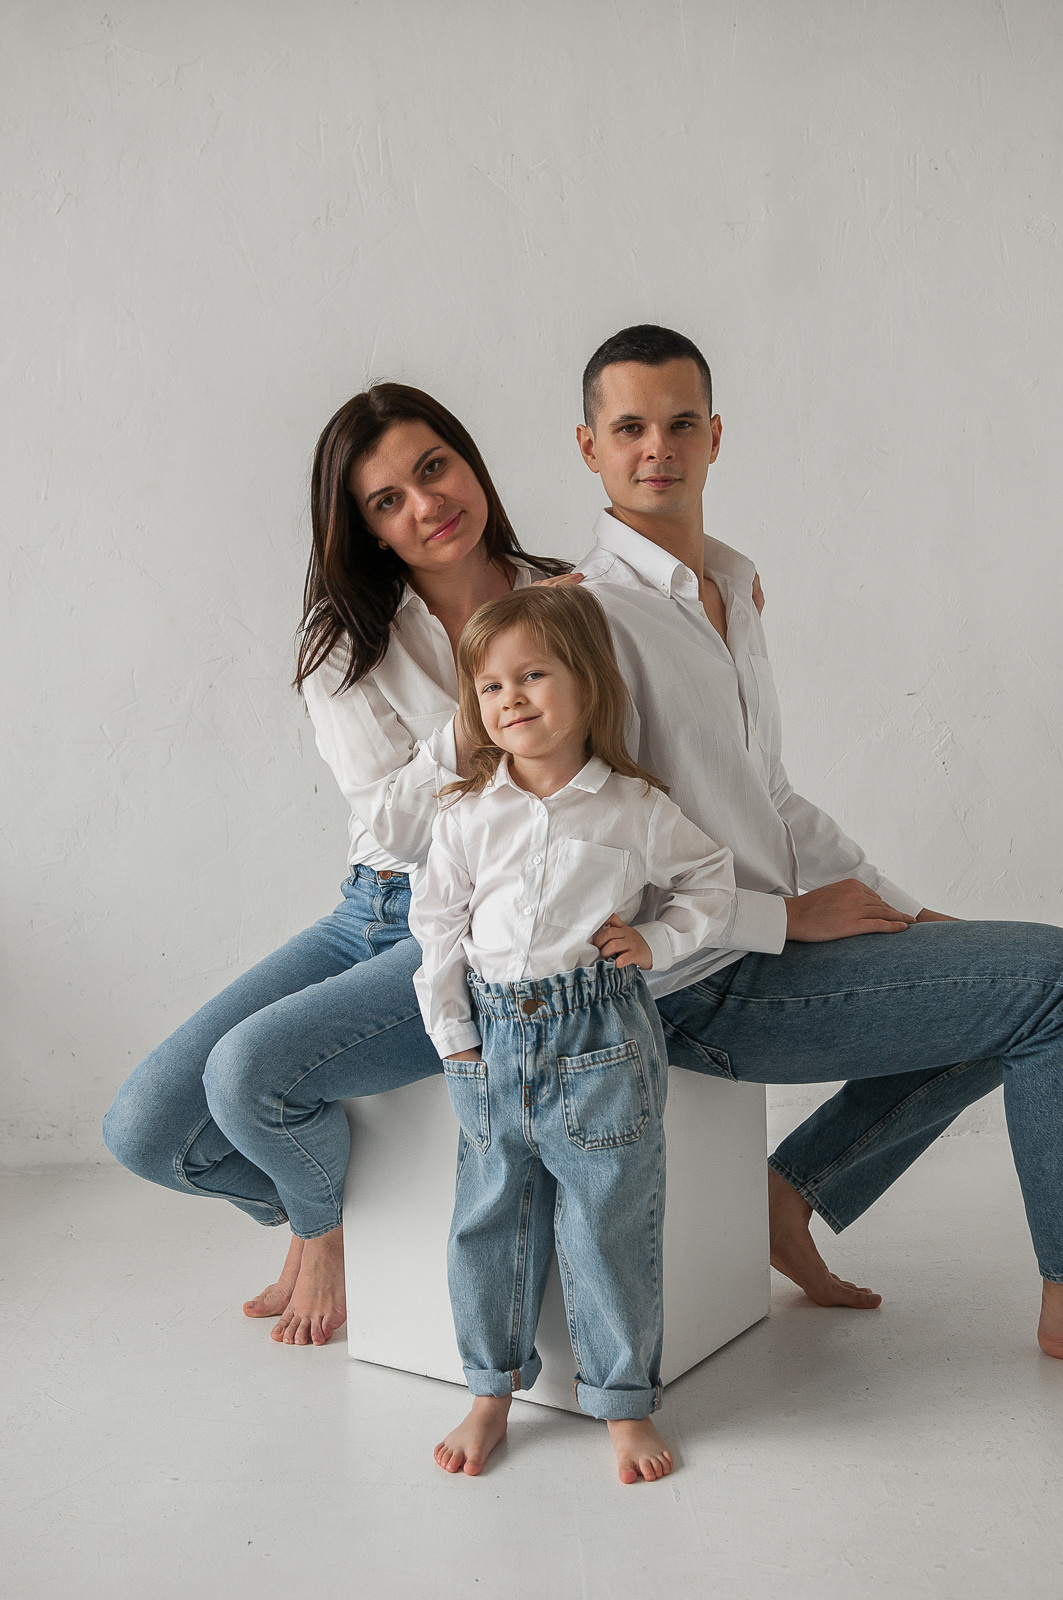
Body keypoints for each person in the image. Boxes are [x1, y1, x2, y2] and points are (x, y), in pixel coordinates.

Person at [573, 323, 1063, 1357]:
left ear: (715, 437)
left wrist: (899, 906)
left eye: (679, 422)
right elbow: (593, 842)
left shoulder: (733, 592)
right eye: (628, 428)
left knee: (1016, 977)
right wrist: (784, 919)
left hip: (768, 945)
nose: (656, 446)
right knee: (1052, 983)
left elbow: (772, 797)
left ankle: (785, 1197)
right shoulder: (586, 619)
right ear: (589, 449)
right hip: (697, 977)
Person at [103, 383, 573, 1346]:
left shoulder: (567, 598)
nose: (424, 504)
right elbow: (394, 830)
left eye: (432, 468)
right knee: (145, 1128)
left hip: (486, 918)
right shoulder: (343, 642)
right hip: (369, 908)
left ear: (470, 463)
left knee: (247, 1078)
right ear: (366, 530)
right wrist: (487, 707)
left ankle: (325, 1232)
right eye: (385, 500)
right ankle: (326, 1210)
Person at [410, 585, 772, 1481]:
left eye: (532, 674)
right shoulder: (464, 814)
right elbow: (435, 930)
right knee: (488, 1221)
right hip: (492, 1040)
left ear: (588, 684)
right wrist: (453, 1036)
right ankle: (489, 1391)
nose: (511, 698)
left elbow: (711, 882)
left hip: (599, 1040)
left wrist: (655, 939)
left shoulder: (632, 809)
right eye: (490, 686)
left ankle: (623, 1403)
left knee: (610, 1221)